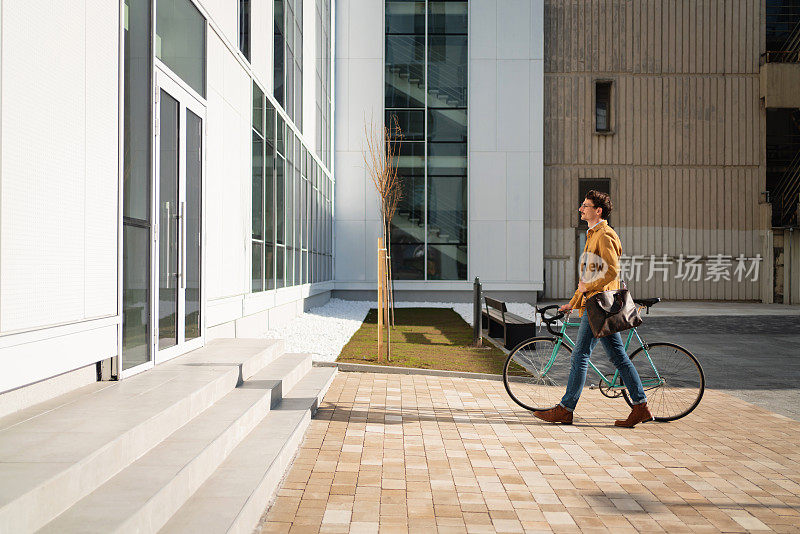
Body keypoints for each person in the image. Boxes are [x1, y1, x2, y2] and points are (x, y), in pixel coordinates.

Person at [535, 190, 653, 428]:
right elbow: (588, 277)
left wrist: (586, 289)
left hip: (600, 307)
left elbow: (611, 271)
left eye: (586, 206)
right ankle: (640, 407)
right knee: (618, 357)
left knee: (580, 356)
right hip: (596, 306)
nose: (581, 209)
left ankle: (566, 409)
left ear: (598, 210)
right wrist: (573, 301)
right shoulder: (592, 235)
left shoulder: (604, 235)